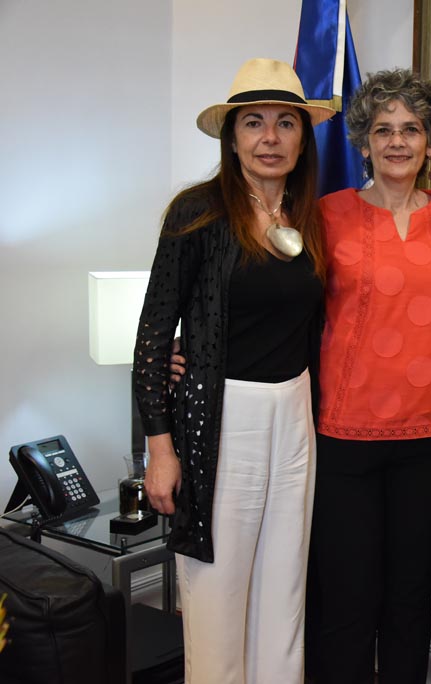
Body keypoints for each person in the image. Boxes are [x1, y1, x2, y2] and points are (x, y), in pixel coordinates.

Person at [134, 58, 332, 684]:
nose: (270, 138)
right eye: (253, 123)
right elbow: (152, 335)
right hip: (221, 420)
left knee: (284, 593)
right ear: (232, 136)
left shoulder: (309, 215)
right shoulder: (196, 213)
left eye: (285, 123)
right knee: (217, 597)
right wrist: (160, 449)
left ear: (302, 138)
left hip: (294, 416)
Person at [307, 68, 431, 684]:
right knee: (347, 597)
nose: (398, 141)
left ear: (430, 140)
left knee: (410, 594)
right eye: (383, 129)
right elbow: (286, 309)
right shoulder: (327, 215)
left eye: (411, 129)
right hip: (344, 439)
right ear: (364, 142)